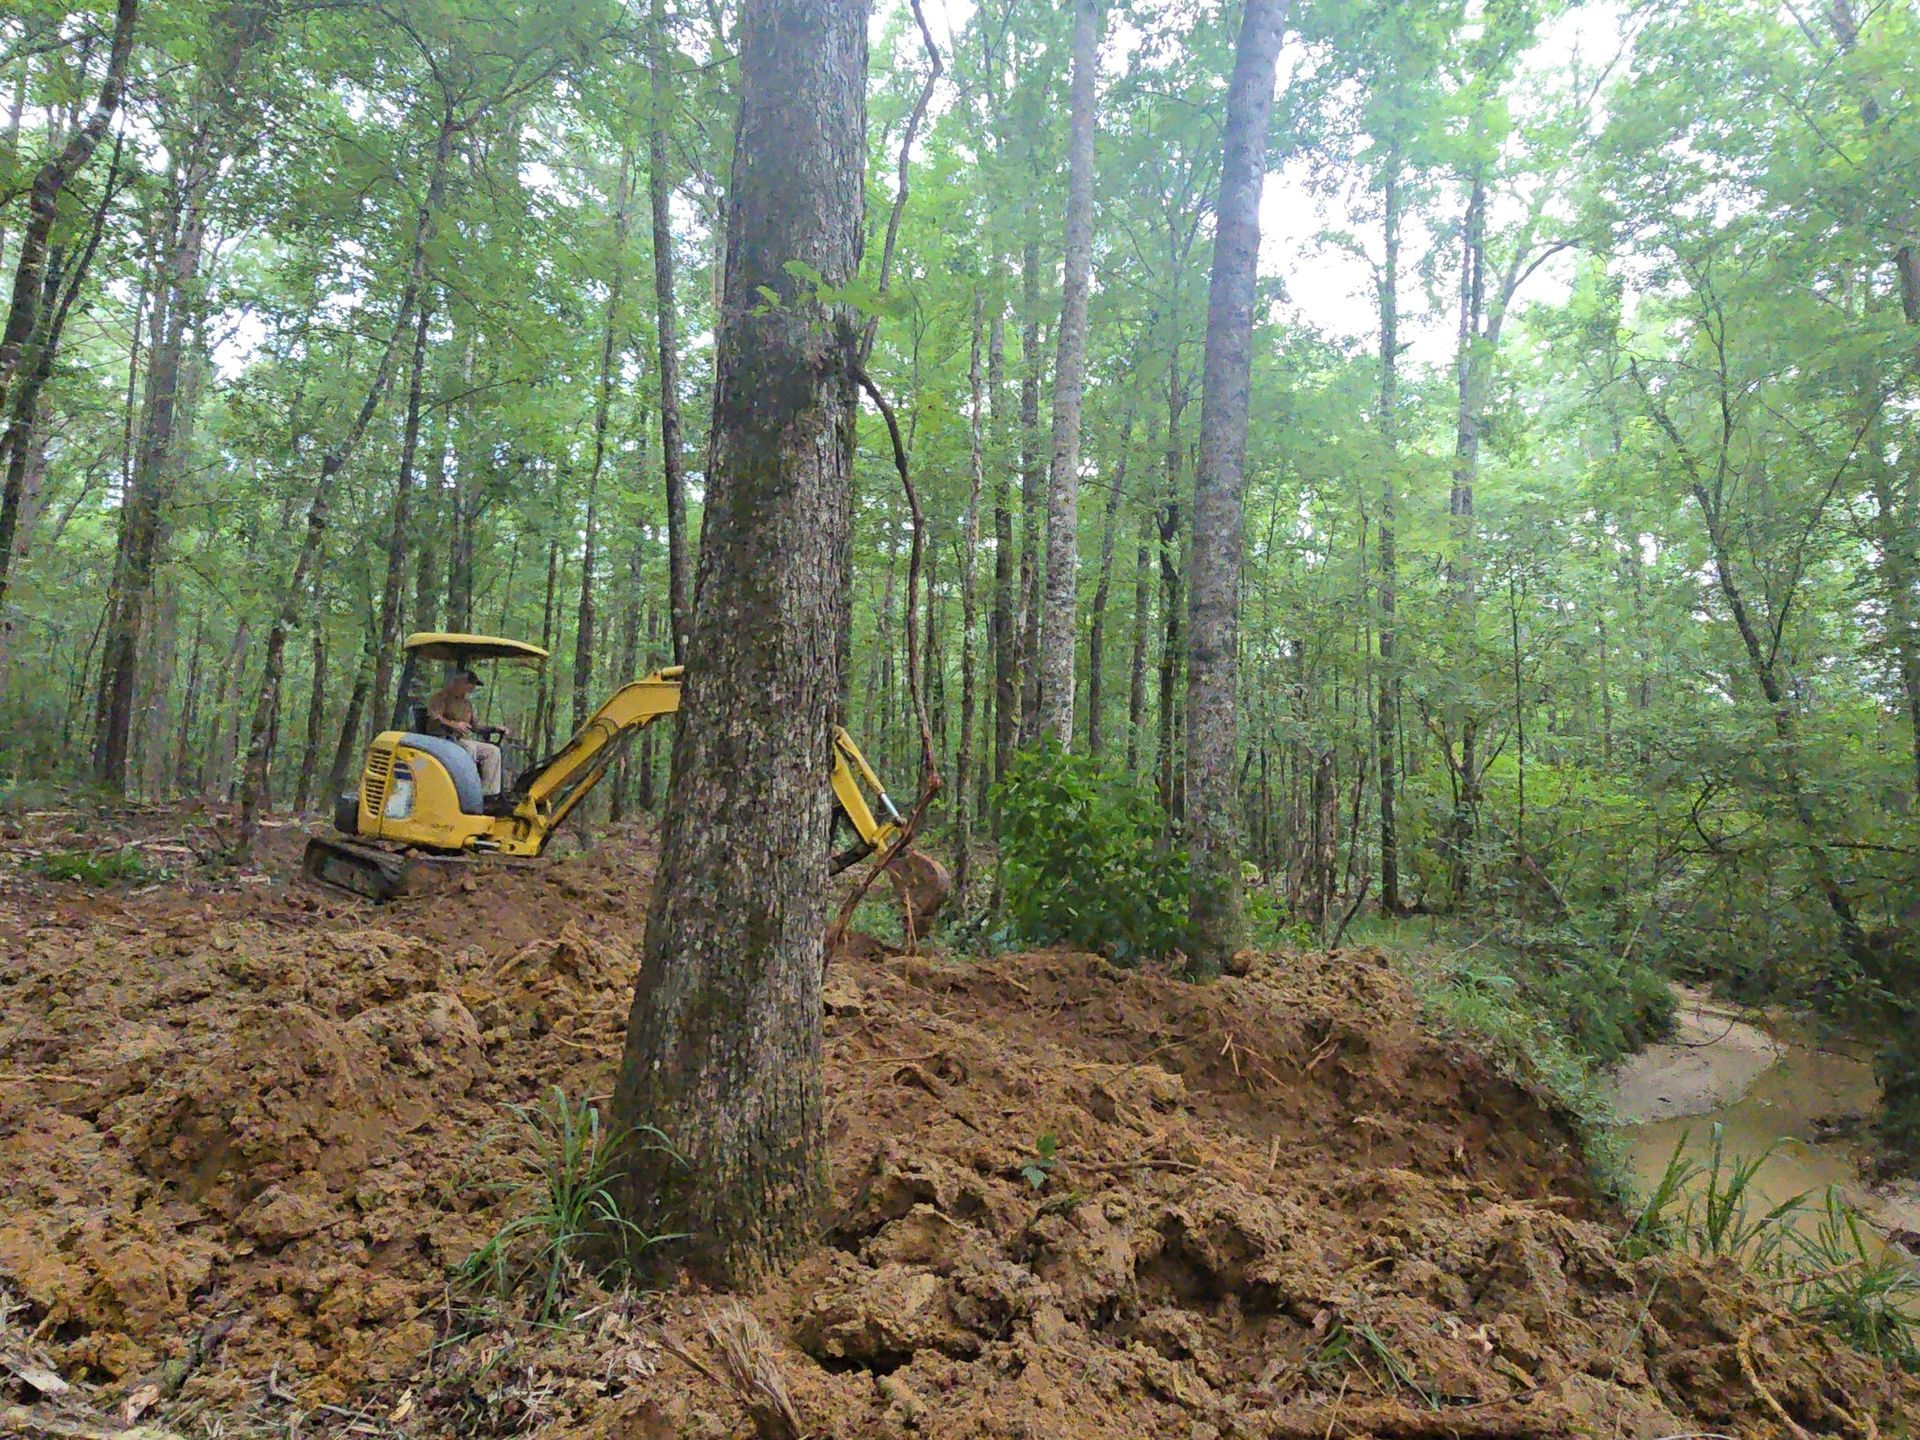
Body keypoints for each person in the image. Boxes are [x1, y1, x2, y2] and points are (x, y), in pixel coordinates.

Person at [424, 668, 510, 797]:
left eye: (472, 687)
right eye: (469, 685)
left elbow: (475, 727)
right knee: (469, 748)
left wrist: (495, 728)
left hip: (458, 741)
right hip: (441, 740)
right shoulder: (441, 697)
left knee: (492, 751)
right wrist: (453, 724)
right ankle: (465, 792)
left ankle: (488, 794)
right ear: (458, 682)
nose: (470, 690)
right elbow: (434, 717)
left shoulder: (466, 704)